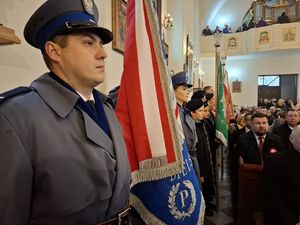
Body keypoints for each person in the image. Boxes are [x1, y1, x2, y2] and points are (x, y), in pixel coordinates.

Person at [0, 0, 132, 224]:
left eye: (100, 44)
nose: (102, 54)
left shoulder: (107, 108)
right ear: (54, 51)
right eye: (89, 43)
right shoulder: (17, 116)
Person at [263, 125, 300, 225]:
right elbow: (271, 197)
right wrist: (294, 222)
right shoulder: (275, 161)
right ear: (291, 138)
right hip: (290, 217)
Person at [186, 99, 215, 217]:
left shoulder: (202, 124)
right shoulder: (192, 128)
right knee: (200, 186)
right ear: (192, 113)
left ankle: (207, 202)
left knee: (207, 183)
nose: (204, 113)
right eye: (201, 111)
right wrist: (200, 172)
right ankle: (203, 208)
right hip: (199, 162)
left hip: (205, 160)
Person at [171, 71, 201, 184]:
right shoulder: (173, 112)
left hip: (192, 158)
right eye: (183, 89)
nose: (187, 92)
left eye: (187, 89)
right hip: (184, 159)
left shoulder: (183, 110)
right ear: (173, 91)